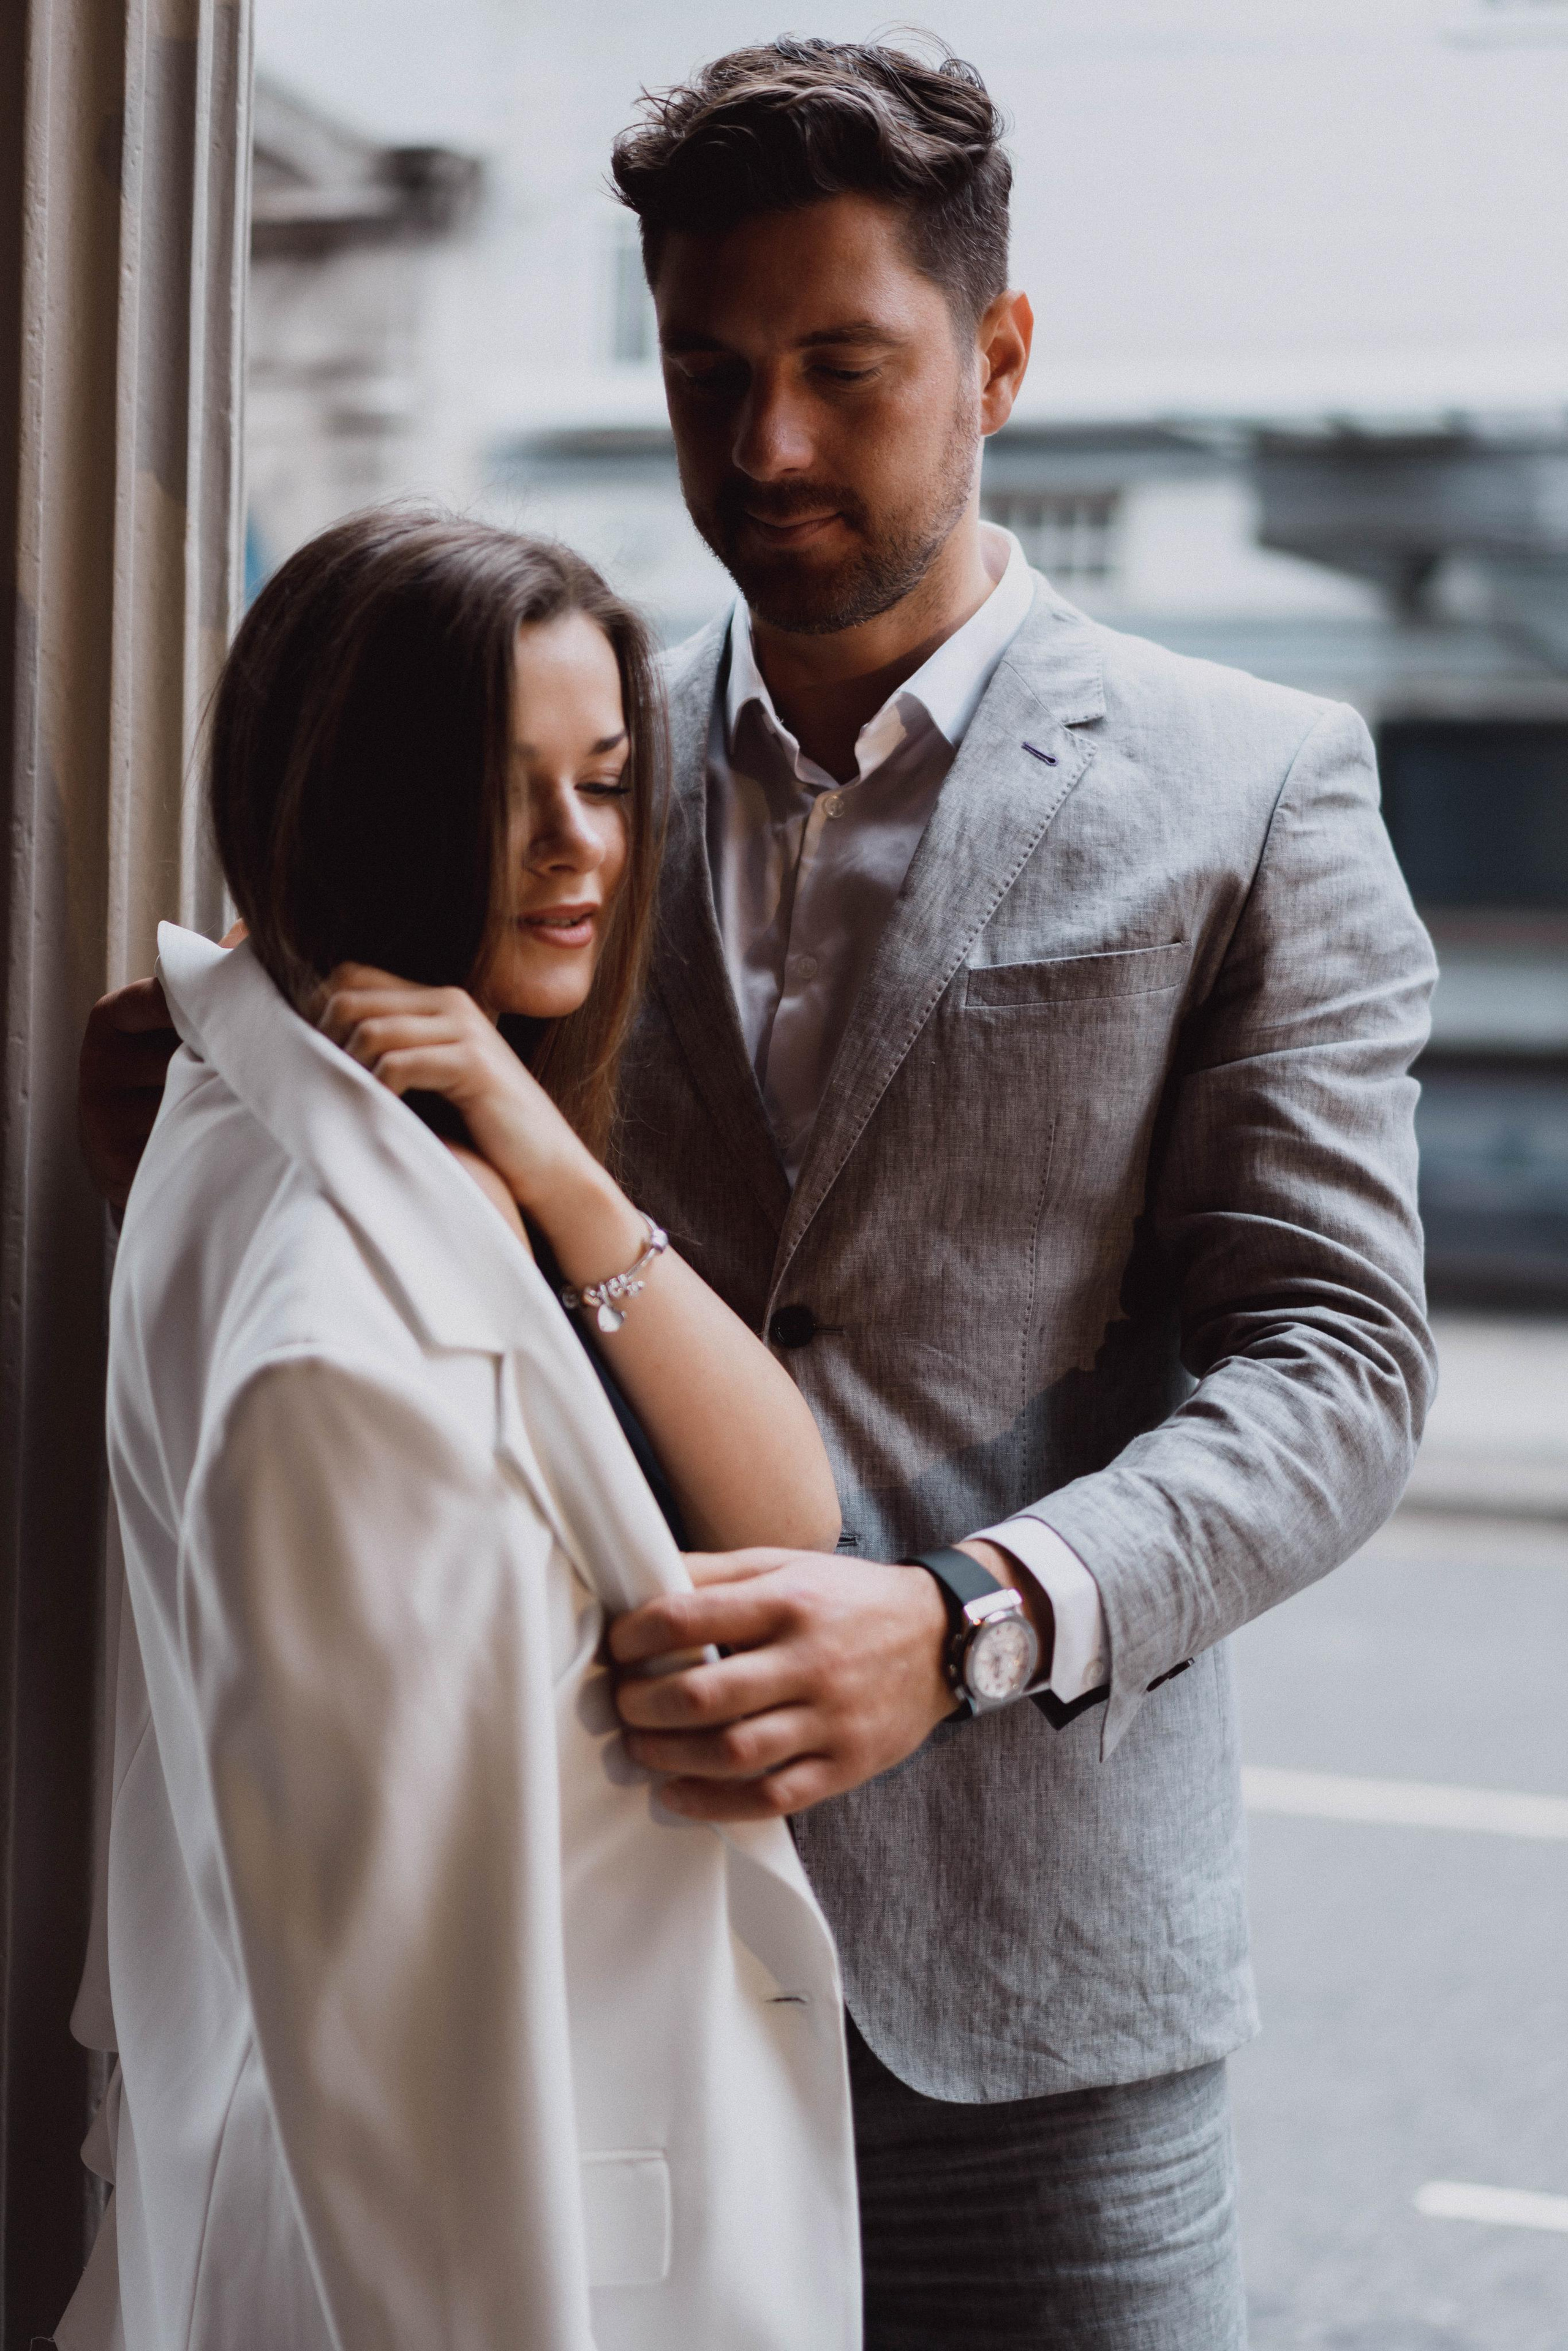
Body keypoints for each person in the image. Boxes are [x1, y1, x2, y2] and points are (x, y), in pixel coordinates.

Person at [79, 37, 1440, 2351]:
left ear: (1000, 357)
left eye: (843, 368)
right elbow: (356, 1063)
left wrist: (973, 1617)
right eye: (711, 375)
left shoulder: (1257, 782)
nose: (770, 448)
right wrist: (217, 1049)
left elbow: (1338, 1366)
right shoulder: (566, 752)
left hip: (1034, 2019)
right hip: (610, 1933)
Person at [58, 512, 861, 2351]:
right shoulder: (340, 1320)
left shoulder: (407, 1137)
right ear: (358, 805)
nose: (584, 855)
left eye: (605, 783)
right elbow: (403, 2025)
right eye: (511, 799)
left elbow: (789, 1507)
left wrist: (545, 1145)